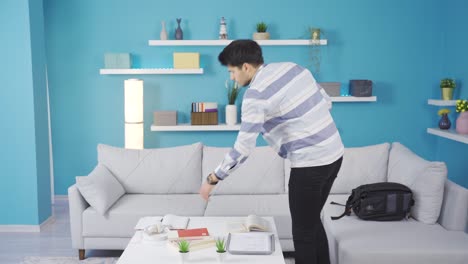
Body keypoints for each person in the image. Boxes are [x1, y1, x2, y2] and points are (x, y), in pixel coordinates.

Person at [199, 39, 344, 264]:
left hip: (309, 165)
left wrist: (213, 178)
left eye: (232, 71)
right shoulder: (294, 68)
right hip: (335, 154)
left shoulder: (255, 95)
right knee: (312, 222)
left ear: (246, 67)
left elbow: (243, 148)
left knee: (303, 234)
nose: (232, 78)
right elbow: (324, 101)